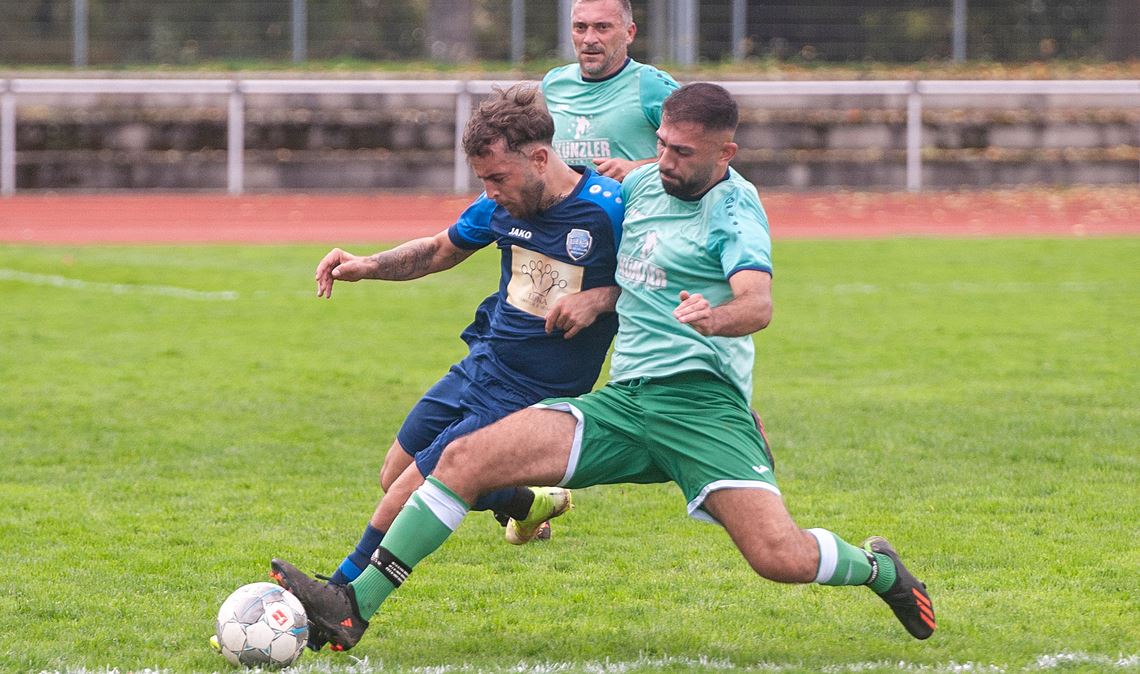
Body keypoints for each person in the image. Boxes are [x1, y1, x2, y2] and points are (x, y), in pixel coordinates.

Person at [272, 83, 937, 651]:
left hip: (699, 409)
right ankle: (352, 607)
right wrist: (599, 291)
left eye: (682, 152)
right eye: (662, 145)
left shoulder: (735, 208)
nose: (665, 161)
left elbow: (757, 303)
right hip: (623, 404)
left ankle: (880, 570)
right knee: (462, 460)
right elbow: (581, 194)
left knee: (777, 557)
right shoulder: (638, 185)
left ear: (725, 154)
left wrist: (715, 318)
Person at [289, 83, 625, 649]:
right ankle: (524, 501)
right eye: (483, 180)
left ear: (539, 158)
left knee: (414, 488)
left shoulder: (609, 210)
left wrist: (601, 297)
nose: (490, 193)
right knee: (393, 474)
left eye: (497, 178)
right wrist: (366, 265)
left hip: (534, 389)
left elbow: (662, 281)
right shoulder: (502, 206)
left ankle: (339, 595)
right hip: (484, 361)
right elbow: (439, 249)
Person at [543, 0, 679, 182]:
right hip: (565, 202)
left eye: (602, 27)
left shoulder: (651, 84)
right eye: (580, 27)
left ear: (629, 33)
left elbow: (700, 152)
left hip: (633, 201)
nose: (589, 39)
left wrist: (637, 169)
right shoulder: (553, 84)